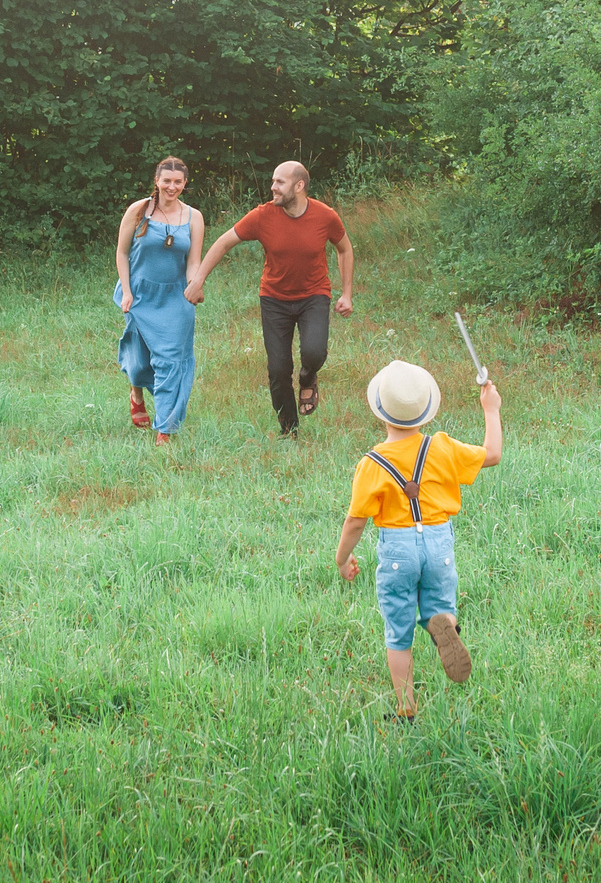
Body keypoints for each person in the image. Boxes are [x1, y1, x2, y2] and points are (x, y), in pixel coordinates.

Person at [332, 357, 504, 721]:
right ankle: (441, 621)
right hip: (438, 542)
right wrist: (491, 409)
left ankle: (406, 709)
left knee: (398, 633)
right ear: (426, 412)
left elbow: (355, 522)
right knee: (439, 600)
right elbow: (492, 454)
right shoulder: (441, 447)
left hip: (397, 549)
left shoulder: (372, 463)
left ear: (380, 412)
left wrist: (342, 558)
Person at [187, 160, 352, 437]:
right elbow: (224, 242)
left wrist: (346, 293)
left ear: (299, 186)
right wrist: (199, 280)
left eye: (279, 182)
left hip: (314, 295)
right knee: (278, 369)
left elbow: (345, 249)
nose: (272, 187)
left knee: (314, 352)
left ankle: (308, 377)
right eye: (273, 181)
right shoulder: (263, 216)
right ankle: (289, 431)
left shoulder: (325, 216)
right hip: (274, 299)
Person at [115, 156, 205, 445]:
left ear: (185, 183)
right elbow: (122, 253)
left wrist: (195, 284)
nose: (172, 186)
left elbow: (193, 262)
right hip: (140, 293)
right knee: (141, 361)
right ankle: (136, 392)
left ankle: (164, 429)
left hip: (175, 298)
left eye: (178, 181)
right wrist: (127, 291)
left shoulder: (194, 217)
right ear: (157, 180)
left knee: (171, 361)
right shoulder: (139, 210)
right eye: (167, 180)